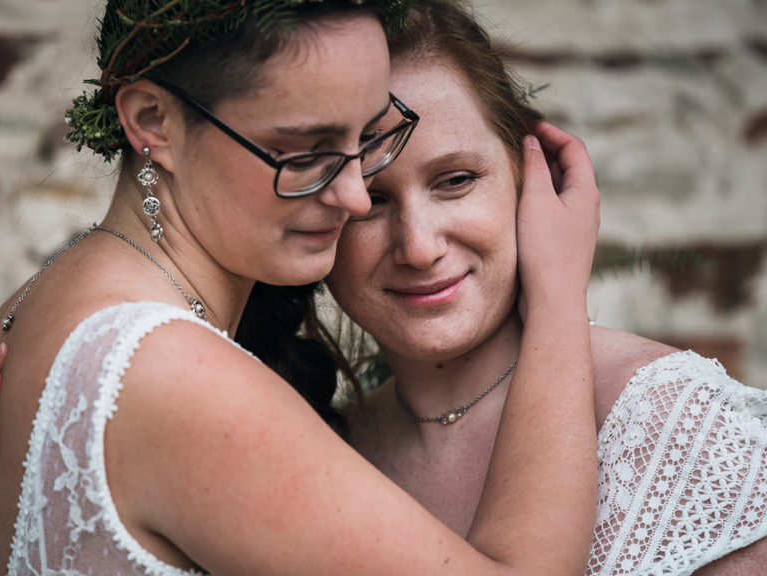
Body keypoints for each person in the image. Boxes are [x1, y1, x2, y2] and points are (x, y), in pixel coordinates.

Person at [0, 0, 604, 574]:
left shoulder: (42, 300)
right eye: (307, 153)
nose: (353, 194)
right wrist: (560, 291)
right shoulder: (174, 377)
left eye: (369, 138)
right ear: (151, 121)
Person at [322, 2, 767, 575]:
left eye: (455, 181)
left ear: (529, 176)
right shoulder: (328, 449)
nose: (419, 246)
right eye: (371, 200)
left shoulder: (670, 425)